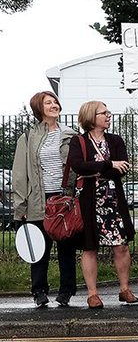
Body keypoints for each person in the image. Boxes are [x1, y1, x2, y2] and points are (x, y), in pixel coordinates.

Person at [68, 101, 137, 309]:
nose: (108, 116)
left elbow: (122, 168)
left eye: (109, 112)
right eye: (103, 113)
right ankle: (92, 294)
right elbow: (77, 165)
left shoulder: (115, 140)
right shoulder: (78, 141)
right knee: (89, 247)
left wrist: (95, 169)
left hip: (113, 199)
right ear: (91, 116)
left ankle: (124, 289)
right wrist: (108, 164)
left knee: (121, 245)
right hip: (89, 201)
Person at [12, 91, 78, 307]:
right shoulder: (28, 138)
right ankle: (39, 291)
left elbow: (77, 168)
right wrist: (19, 208)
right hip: (38, 200)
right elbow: (20, 174)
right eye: (48, 103)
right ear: (39, 109)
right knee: (39, 249)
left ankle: (66, 291)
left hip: (63, 200)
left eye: (55, 101)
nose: (53, 105)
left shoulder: (71, 135)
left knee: (66, 248)